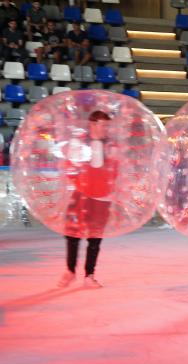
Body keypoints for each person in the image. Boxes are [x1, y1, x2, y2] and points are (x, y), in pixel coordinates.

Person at [58, 111, 117, 289]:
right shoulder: (80, 143)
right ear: (92, 124)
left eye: (107, 125)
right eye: (103, 125)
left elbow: (115, 169)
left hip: (102, 197)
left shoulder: (111, 145)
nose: (106, 129)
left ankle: (89, 275)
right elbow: (71, 168)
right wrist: (82, 185)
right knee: (72, 233)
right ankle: (70, 271)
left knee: (95, 237)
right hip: (81, 194)